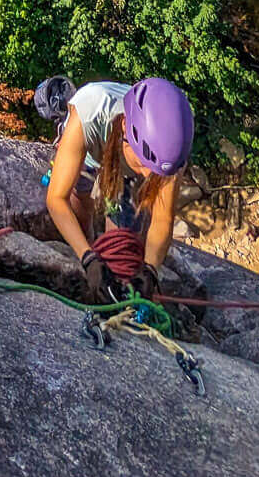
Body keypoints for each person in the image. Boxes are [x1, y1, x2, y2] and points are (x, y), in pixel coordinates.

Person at [43, 75, 194, 305]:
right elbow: (56, 199)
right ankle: (58, 105)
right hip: (94, 146)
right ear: (125, 125)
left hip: (122, 162)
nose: (148, 175)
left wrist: (150, 270)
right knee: (81, 208)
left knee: (125, 241)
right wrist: (88, 258)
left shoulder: (169, 152)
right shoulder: (91, 111)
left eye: (153, 169)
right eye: (144, 164)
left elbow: (163, 219)